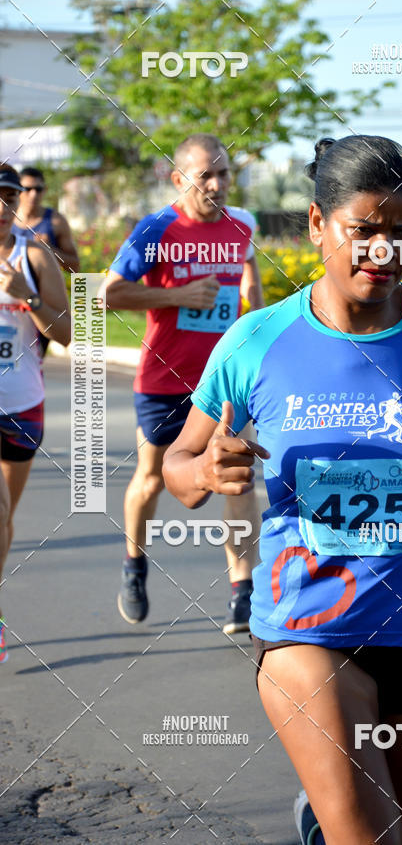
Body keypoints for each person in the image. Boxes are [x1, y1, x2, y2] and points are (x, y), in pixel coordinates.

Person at [163, 135, 402, 844]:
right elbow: (178, 467)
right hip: (308, 631)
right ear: (315, 224)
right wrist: (207, 471)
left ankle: (321, 824)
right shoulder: (254, 341)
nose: (384, 251)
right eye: (363, 230)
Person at [104, 133, 263, 632]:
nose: (216, 184)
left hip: (226, 382)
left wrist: (256, 330)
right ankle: (134, 565)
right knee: (152, 478)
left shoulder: (243, 226)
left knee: (238, 476)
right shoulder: (156, 229)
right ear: (179, 180)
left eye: (224, 174)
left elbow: (249, 281)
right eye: (205, 176)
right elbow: (109, 294)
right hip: (164, 378)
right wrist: (179, 296)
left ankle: (243, 589)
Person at [0, 163, 71, 664]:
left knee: (5, 520)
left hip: (23, 405)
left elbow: (67, 333)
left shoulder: (34, 254)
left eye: (9, 197)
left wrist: (24, 297)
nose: (3, 208)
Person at [13, 166, 80, 274]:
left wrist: (50, 250)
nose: (33, 194)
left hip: (46, 289)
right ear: (17, 189)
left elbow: (75, 267)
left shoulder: (56, 221)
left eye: (38, 189)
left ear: (45, 190)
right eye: (27, 189)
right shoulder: (5, 218)